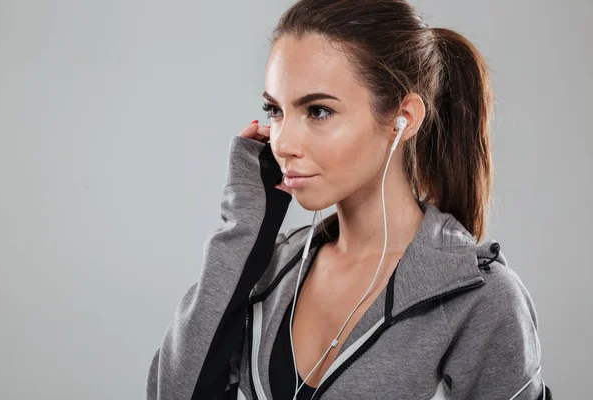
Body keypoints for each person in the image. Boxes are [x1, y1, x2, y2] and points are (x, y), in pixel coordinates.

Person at [146, 0, 553, 399]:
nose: (283, 142)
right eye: (275, 110)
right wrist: (243, 228)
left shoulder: (478, 296)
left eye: (318, 111)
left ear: (404, 118)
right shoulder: (271, 273)